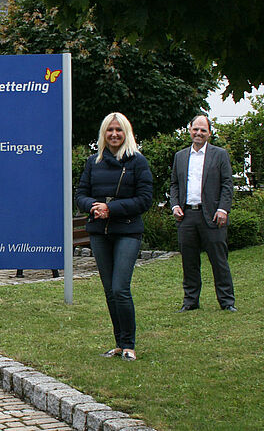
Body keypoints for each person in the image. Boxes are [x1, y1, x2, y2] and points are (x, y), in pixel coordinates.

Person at [75, 112, 152, 362]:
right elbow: (81, 194)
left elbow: (144, 199)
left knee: (120, 288)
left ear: (126, 132)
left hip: (127, 231)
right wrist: (94, 206)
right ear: (103, 134)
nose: (114, 134)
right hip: (100, 232)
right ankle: (119, 343)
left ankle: (129, 344)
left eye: (119, 130)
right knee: (109, 290)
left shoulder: (138, 162)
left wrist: (112, 209)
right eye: (110, 130)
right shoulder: (92, 162)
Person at [169, 115, 236, 312]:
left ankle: (227, 302)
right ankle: (190, 301)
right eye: (195, 129)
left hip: (213, 216)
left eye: (203, 130)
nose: (198, 133)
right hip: (187, 216)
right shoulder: (180, 156)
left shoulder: (219, 154)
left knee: (219, 261)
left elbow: (227, 184)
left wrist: (223, 209)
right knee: (189, 262)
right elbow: (174, 184)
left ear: (209, 133)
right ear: (189, 130)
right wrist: (174, 206)